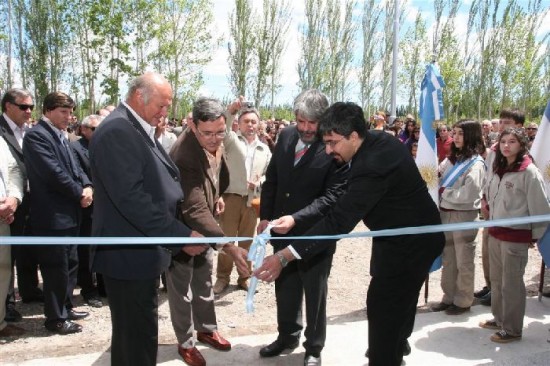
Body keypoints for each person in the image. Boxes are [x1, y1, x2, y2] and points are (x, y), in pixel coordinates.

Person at [254, 102, 445, 366]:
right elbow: (340, 199)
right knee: (397, 303)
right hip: (392, 237)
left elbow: (339, 220)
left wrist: (285, 256)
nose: (329, 149)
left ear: (353, 136)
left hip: (412, 244)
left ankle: (385, 357)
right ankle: (396, 345)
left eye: (332, 143)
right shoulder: (372, 142)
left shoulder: (373, 163)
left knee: (383, 306)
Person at [90, 72, 200, 366]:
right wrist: (179, 235)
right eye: (162, 106)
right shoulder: (118, 131)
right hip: (128, 256)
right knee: (137, 339)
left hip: (138, 252)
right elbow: (132, 200)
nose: (166, 113)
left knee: (135, 335)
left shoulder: (133, 127)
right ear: (140, 96)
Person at [256, 90, 348, 366]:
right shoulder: (285, 137)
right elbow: (272, 180)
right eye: (301, 121)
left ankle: (314, 347)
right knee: (285, 287)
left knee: (315, 293)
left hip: (315, 234)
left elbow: (331, 197)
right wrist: (265, 217)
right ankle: (287, 336)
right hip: (280, 231)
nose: (306, 128)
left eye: (312, 122)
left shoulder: (334, 147)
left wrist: (296, 218)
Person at [166, 97, 249, 366]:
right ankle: (186, 342)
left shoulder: (214, 139)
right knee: (181, 289)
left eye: (220, 132)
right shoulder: (184, 154)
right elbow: (192, 209)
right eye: (208, 134)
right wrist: (229, 245)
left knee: (203, 280)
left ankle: (206, 328)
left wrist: (217, 196)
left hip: (206, 223)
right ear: (192, 125)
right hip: (182, 228)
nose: (215, 140)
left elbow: (216, 174)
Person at [23, 91, 93, 335]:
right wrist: (79, 193)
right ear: (48, 111)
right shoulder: (36, 136)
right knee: (55, 267)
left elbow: (75, 168)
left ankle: (66, 306)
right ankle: (55, 318)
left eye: (71, 112)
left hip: (71, 213)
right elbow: (53, 174)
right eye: (63, 111)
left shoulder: (63, 136)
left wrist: (87, 186)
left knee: (71, 263)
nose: (69, 116)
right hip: (52, 215)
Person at [479, 128, 550, 343]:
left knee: (512, 284)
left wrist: (533, 237)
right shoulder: (498, 166)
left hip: (515, 238)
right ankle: (499, 318)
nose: (506, 146)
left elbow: (541, 209)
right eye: (503, 141)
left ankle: (512, 328)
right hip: (495, 233)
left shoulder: (529, 172)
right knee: (497, 280)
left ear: (522, 145)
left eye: (512, 141)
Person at [213, 106, 271, 294]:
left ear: (259, 124)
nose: (250, 125)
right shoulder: (231, 140)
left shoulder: (265, 149)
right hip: (231, 197)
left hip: (251, 201)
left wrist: (259, 182)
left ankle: (244, 277)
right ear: (240, 123)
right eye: (246, 121)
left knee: (247, 241)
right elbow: (225, 126)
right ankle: (222, 278)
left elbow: (269, 174)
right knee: (227, 240)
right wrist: (230, 112)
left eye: (254, 121)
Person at [431, 120, 486, 315]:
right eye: (453, 132)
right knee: (449, 258)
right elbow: (437, 176)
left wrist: (444, 192)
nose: (455, 136)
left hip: (464, 215)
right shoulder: (452, 159)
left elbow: (469, 194)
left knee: (464, 259)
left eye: (460, 133)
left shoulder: (476, 164)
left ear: (471, 135)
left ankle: (463, 300)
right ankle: (449, 296)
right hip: (445, 213)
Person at [475, 108, 527, 305]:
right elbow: (488, 177)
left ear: (519, 127)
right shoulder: (496, 148)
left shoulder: (523, 157)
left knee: (508, 263)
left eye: (508, 122)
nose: (502, 125)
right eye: (502, 121)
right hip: (491, 207)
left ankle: (501, 296)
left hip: (510, 216)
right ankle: (491, 287)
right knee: (489, 253)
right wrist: (484, 200)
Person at [0, 88, 42, 323]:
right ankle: (6, 305)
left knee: (27, 251)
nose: (29, 111)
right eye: (24, 107)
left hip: (27, 200)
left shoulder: (30, 131)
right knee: (7, 257)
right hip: (7, 205)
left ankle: (29, 290)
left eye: (31, 107)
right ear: (8, 106)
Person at [70, 114, 104, 308]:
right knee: (87, 250)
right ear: (83, 130)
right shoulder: (75, 148)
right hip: (88, 206)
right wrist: (89, 187)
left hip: (106, 206)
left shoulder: (107, 146)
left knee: (104, 247)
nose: (98, 132)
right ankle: (88, 289)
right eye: (94, 129)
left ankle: (104, 286)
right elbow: (79, 173)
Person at [0, 136, 25, 337]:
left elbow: (14, 170)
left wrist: (13, 199)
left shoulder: (0, 141)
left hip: (3, 217)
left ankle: (0, 322)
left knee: (3, 271)